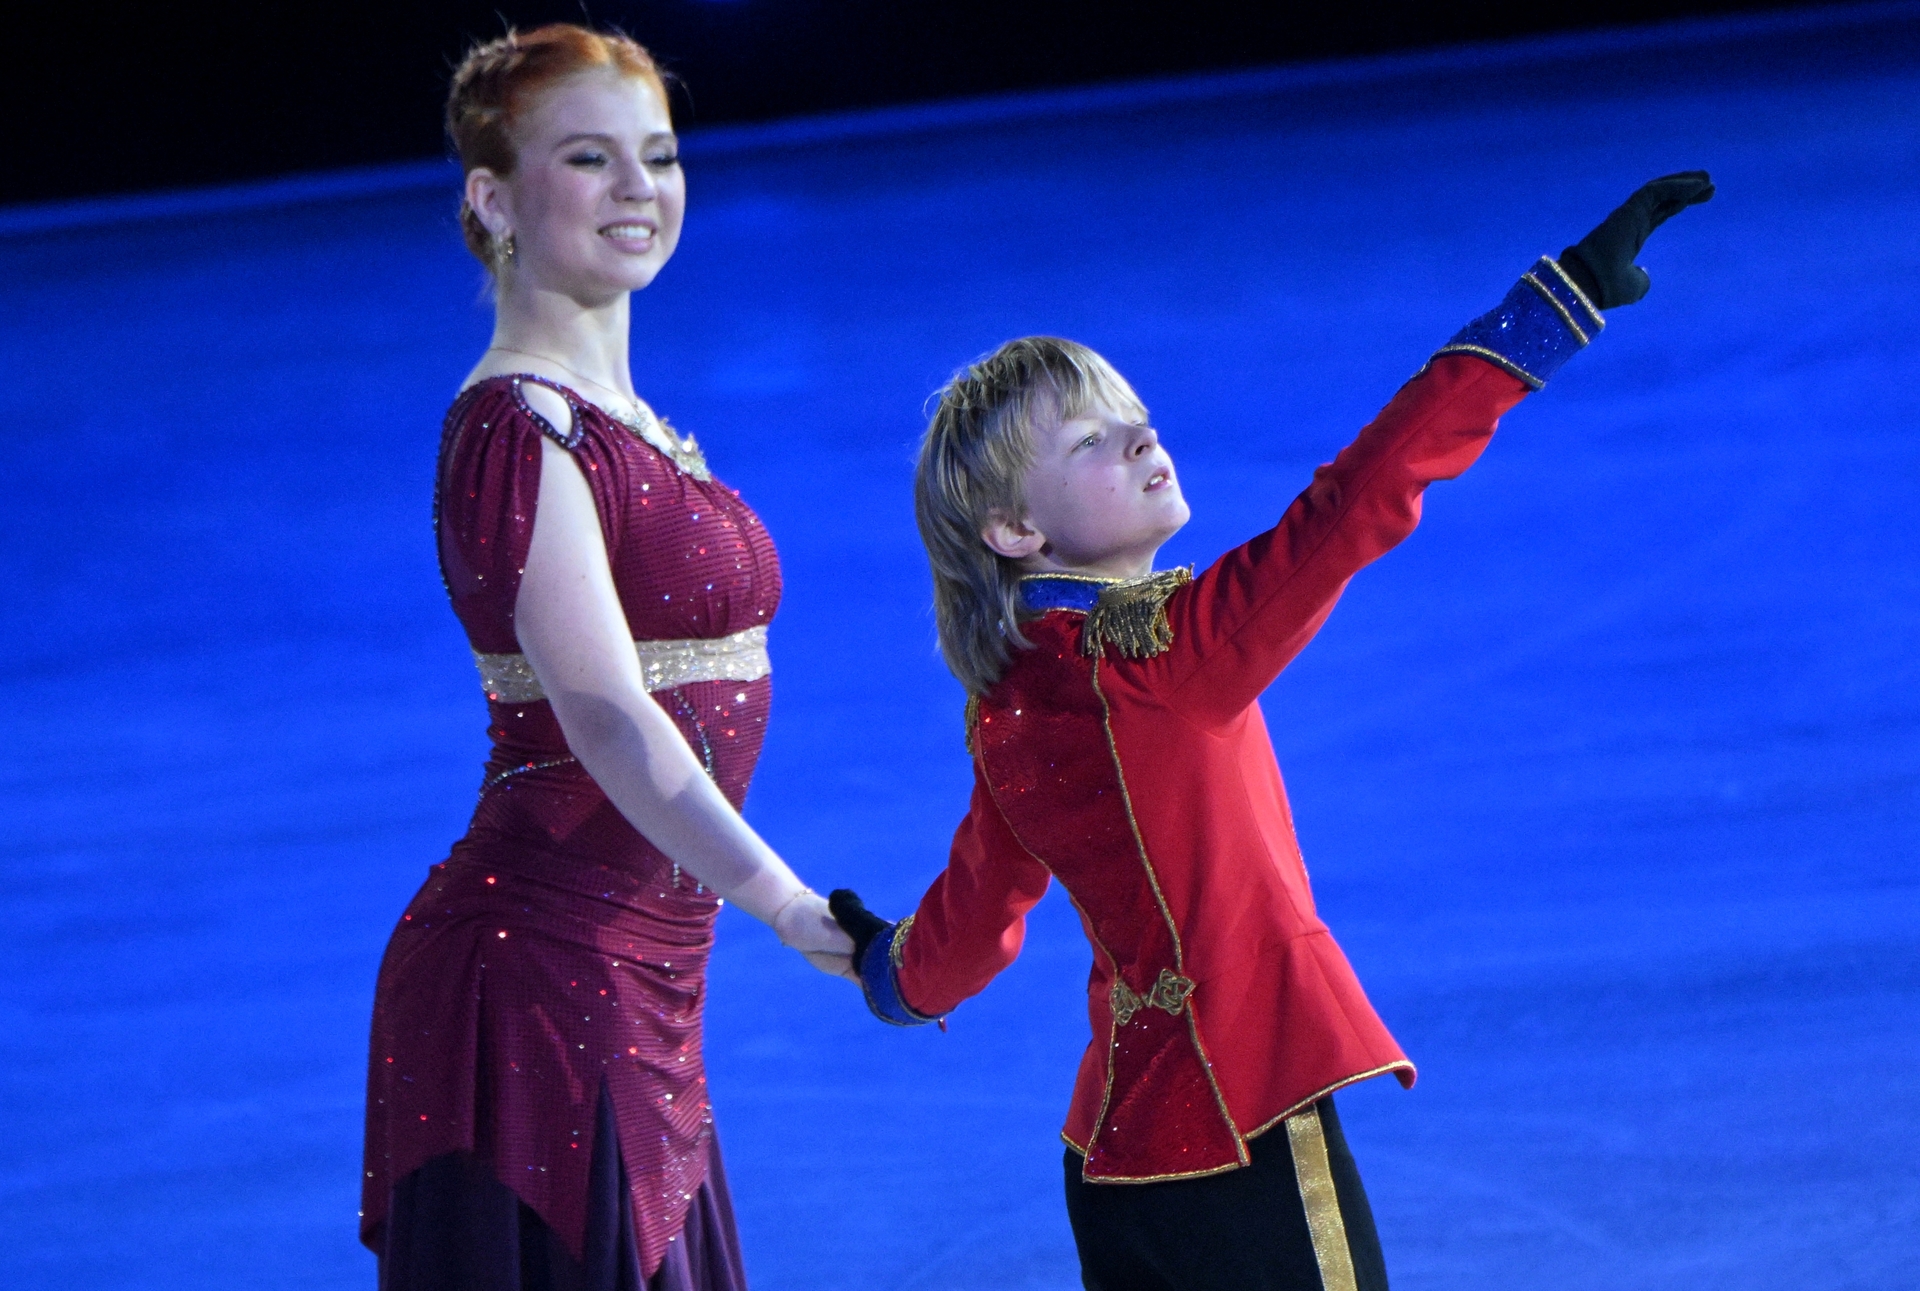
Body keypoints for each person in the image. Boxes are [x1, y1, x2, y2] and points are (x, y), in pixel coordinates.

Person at [831, 174, 1716, 1290]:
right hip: (1243, 1120)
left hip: (1112, 1159)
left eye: (1135, 416)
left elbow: (969, 924)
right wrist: (1555, 305)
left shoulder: (1004, 705)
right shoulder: (1164, 658)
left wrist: (885, 971)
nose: (1143, 438)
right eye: (1096, 439)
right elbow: (1357, 502)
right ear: (1014, 529)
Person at [360, 24, 853, 1290]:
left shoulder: (618, 420)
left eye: (659, 156)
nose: (639, 188)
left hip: (641, 985)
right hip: (536, 990)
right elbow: (609, 717)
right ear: (492, 199)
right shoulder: (516, 429)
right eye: (589, 158)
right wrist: (785, 902)